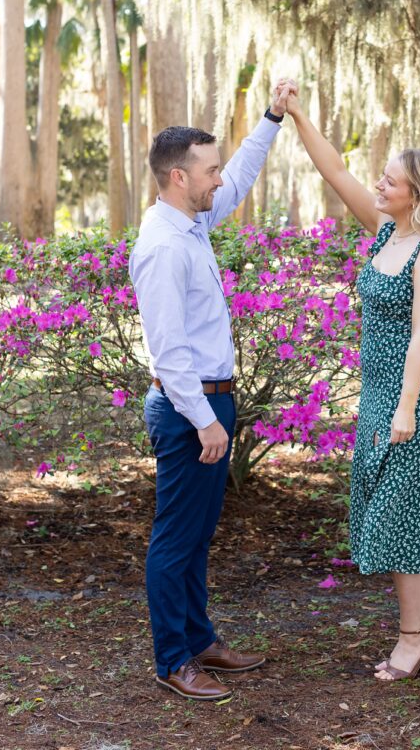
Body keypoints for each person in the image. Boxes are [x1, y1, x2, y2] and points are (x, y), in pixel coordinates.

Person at [285, 92, 420, 682]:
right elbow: (335, 170)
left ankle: (416, 638)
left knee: (401, 514)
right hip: (377, 396)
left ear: (419, 193)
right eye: (382, 179)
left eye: (390, 181)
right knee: (381, 512)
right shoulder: (384, 232)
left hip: (412, 397)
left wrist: (406, 409)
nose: (379, 185)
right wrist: (301, 115)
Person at [129, 80, 295, 701]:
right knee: (175, 537)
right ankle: (173, 659)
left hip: (210, 400)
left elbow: (243, 174)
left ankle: (200, 640)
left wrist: (272, 118)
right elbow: (168, 354)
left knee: (198, 534)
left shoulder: (191, 223)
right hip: (187, 407)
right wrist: (203, 419)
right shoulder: (164, 246)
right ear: (178, 178)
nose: (219, 178)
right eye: (209, 169)